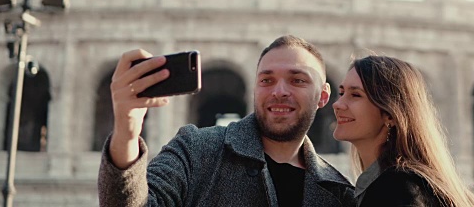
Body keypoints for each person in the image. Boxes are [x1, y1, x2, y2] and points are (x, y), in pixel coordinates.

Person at [98, 35, 355, 207]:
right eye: (266, 80)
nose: (279, 91)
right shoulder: (195, 149)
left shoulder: (339, 193)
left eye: (297, 80)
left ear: (322, 96)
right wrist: (126, 132)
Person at [333, 55, 474, 207]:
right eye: (341, 93)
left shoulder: (396, 190)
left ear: (391, 115)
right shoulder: (407, 184)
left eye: (355, 95)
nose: (338, 104)